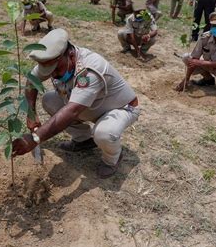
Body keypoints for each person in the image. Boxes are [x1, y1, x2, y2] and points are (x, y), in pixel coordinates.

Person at [12, 29, 140, 178]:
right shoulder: (53, 61)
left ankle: (113, 159)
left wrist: (35, 138)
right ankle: (84, 141)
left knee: (104, 133)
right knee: (49, 100)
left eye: (56, 70)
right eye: (49, 71)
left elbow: (72, 110)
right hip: (89, 107)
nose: (52, 74)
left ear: (71, 55)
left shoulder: (89, 70)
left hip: (121, 108)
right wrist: (31, 113)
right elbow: (31, 81)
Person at [175, 11, 216, 94]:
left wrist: (201, 63)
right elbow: (195, 58)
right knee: (186, 57)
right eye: (214, 26)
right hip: (207, 65)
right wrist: (186, 79)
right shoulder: (205, 36)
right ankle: (208, 79)